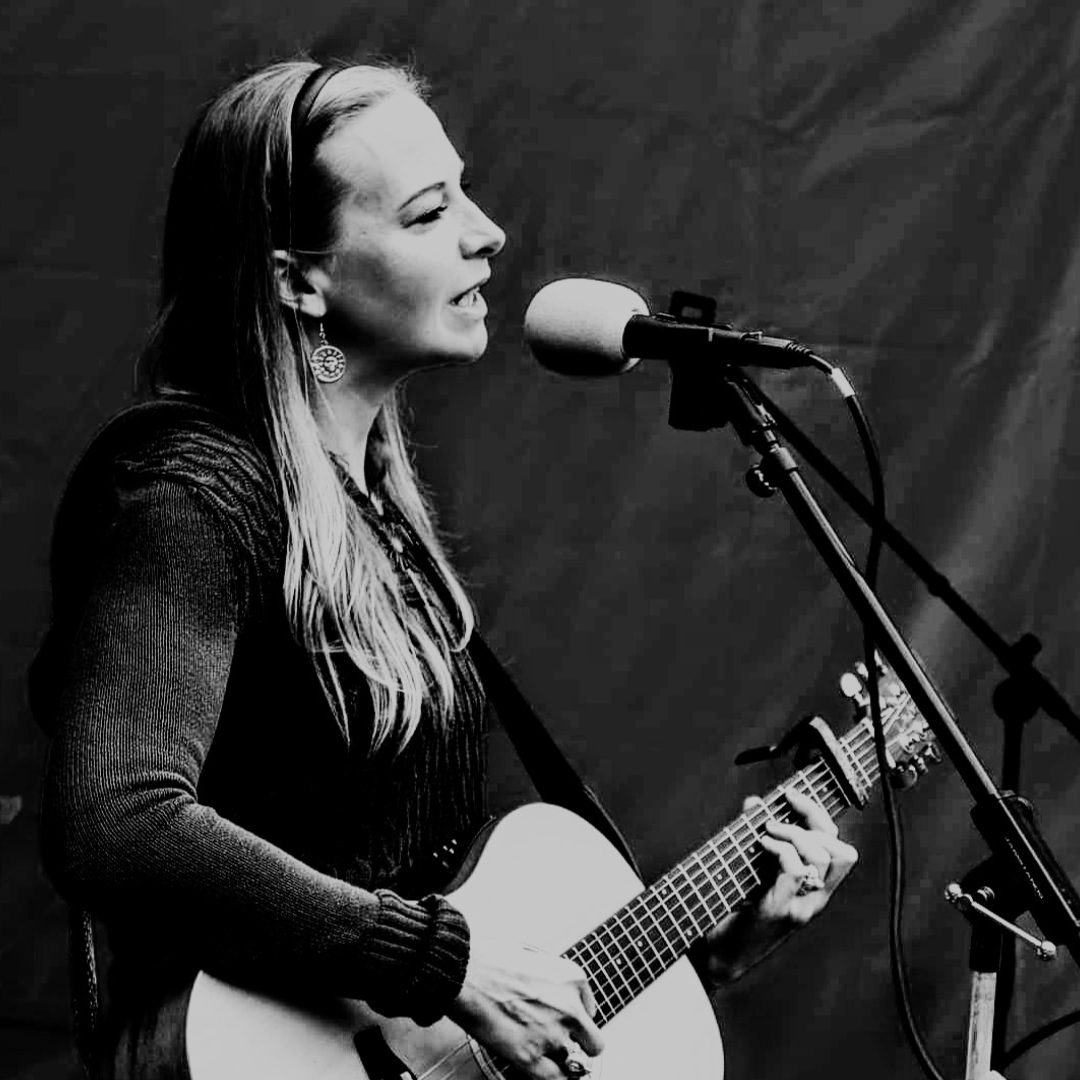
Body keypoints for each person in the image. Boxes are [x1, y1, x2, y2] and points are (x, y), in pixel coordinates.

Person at [32, 58, 858, 1080]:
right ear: (299, 278)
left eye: (463, 190)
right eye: (428, 213)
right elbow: (115, 823)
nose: (487, 232)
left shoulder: (368, 517)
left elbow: (435, 1021)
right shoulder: (186, 493)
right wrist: (446, 962)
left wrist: (708, 955)